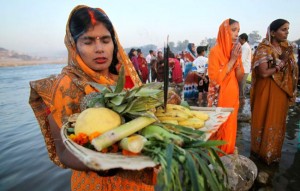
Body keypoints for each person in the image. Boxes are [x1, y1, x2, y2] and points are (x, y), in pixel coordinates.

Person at [29, 5, 157, 191]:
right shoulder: (63, 86)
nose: (99, 49)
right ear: (74, 46)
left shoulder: (126, 78)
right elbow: (64, 152)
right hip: (96, 183)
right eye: (88, 42)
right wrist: (102, 162)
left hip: (138, 182)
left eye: (105, 40)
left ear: (114, 43)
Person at [250, 19, 298, 165]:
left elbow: (293, 70)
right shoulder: (264, 48)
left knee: (277, 121)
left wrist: (288, 61)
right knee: (264, 118)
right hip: (266, 90)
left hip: (281, 91)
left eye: (288, 29)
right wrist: (281, 62)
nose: (287, 32)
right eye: (283, 29)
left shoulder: (286, 48)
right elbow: (264, 73)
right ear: (272, 32)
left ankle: (272, 155)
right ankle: (259, 154)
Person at [207, 18, 244, 154]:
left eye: (238, 31)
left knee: (230, 128)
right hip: (220, 98)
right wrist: (233, 60)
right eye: (233, 30)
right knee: (219, 128)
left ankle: (227, 154)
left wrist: (237, 60)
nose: (236, 34)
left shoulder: (234, 50)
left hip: (232, 96)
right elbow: (215, 80)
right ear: (224, 31)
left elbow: (239, 77)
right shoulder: (215, 52)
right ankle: (216, 159)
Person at [238, 33, 252, 100]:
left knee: (241, 86)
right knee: (241, 86)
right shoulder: (244, 46)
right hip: (243, 69)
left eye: (239, 39)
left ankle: (241, 100)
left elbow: (242, 60)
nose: (238, 40)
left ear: (243, 39)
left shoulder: (245, 47)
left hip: (244, 69)